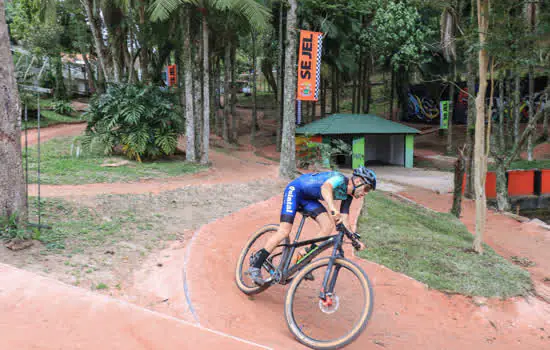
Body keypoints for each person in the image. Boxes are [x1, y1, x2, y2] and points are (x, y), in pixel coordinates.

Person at [248, 166, 377, 286]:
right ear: (358, 180)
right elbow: (325, 188)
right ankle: (256, 264)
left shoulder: (348, 197)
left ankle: (304, 257)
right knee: (284, 231)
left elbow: (345, 219)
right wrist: (332, 208)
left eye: (369, 191)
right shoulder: (339, 179)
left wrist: (354, 240)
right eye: (366, 188)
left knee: (327, 226)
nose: (365, 193)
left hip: (309, 199)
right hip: (295, 190)